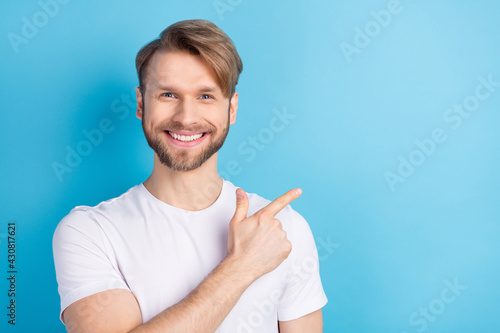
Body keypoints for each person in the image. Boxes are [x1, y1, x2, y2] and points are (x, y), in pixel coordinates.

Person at [53, 19, 327, 332]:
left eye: (206, 96)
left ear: (232, 109)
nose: (186, 117)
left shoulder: (281, 229)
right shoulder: (89, 232)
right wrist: (242, 267)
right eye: (168, 95)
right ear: (142, 103)